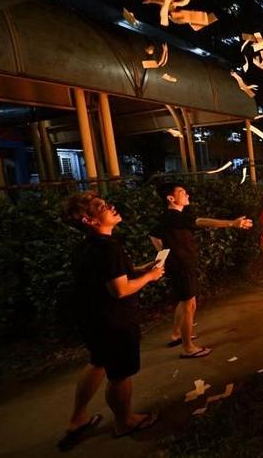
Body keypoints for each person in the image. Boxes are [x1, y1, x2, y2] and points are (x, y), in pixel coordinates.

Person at [58, 191, 164, 450]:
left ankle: (77, 419)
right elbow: (120, 290)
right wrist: (149, 278)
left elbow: (109, 275)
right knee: (120, 374)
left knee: (97, 362)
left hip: (92, 318)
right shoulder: (109, 247)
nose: (111, 207)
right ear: (90, 220)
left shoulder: (86, 245)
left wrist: (141, 269)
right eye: (101, 207)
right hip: (115, 321)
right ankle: (125, 421)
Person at [149, 182, 252, 359]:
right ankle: (188, 347)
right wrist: (232, 223)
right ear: (171, 198)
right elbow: (201, 221)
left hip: (182, 264)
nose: (187, 194)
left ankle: (176, 335)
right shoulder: (173, 215)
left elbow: (153, 234)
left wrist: (163, 253)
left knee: (186, 302)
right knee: (189, 304)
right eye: (182, 192)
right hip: (181, 266)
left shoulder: (169, 217)